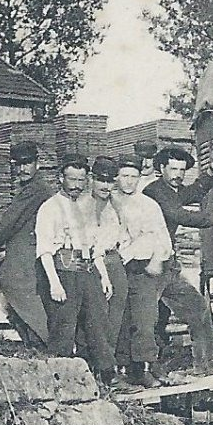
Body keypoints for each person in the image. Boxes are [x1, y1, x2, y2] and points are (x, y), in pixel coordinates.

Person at [144, 145, 213, 379]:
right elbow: (179, 215)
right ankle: (143, 371)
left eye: (182, 170)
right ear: (161, 168)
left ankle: (205, 364)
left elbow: (193, 193)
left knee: (198, 308)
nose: (178, 174)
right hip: (148, 266)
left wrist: (212, 173)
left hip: (167, 266)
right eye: (173, 169)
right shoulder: (156, 191)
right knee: (147, 319)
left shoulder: (171, 190)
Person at [35, 155, 116, 381]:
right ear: (61, 178)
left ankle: (103, 379)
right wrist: (54, 283)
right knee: (63, 329)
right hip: (63, 272)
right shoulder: (49, 208)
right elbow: (44, 250)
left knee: (98, 325)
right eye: (72, 179)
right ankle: (58, 382)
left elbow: (93, 245)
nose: (77, 185)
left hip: (88, 271)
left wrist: (104, 277)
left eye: (81, 180)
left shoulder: (86, 207)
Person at [0, 141, 56, 348]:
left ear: (36, 163)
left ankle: (45, 345)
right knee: (13, 298)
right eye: (17, 164)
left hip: (27, 258)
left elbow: (8, 223)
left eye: (27, 163)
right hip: (23, 255)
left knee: (21, 294)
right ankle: (35, 345)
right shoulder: (29, 188)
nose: (22, 169)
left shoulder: (36, 190)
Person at [113, 157, 173, 389]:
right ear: (116, 177)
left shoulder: (149, 205)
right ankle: (121, 370)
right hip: (117, 268)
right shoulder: (108, 202)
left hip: (143, 269)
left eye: (133, 177)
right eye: (124, 176)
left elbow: (163, 239)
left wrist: (156, 260)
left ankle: (144, 369)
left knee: (145, 320)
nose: (129, 181)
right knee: (119, 320)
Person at [81, 156, 130, 380]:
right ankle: (96, 369)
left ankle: (110, 370)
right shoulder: (82, 206)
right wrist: (103, 276)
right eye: (101, 180)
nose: (105, 186)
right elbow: (92, 247)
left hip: (114, 261)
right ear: (92, 179)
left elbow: (124, 235)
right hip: (93, 264)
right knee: (96, 318)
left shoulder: (115, 205)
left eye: (110, 181)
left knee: (116, 319)